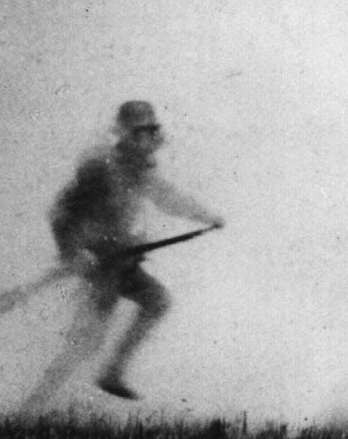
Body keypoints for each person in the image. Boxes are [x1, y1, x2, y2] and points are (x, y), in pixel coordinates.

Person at [22, 100, 224, 407]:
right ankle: (31, 407)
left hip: (123, 262)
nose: (146, 141)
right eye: (139, 133)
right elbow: (60, 214)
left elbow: (168, 198)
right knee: (84, 345)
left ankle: (113, 372)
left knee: (157, 301)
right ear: (126, 134)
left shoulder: (140, 171)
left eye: (150, 132)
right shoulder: (100, 168)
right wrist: (73, 252)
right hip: (100, 266)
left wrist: (206, 215)